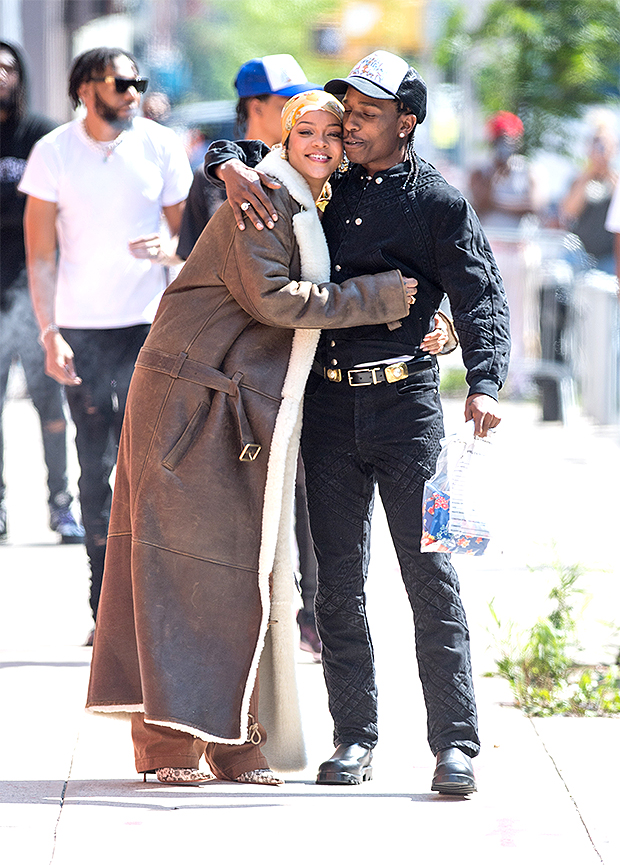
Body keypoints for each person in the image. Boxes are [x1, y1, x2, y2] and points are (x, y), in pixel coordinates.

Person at [85, 89, 424, 786]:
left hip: (232, 403)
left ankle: (235, 742)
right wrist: (383, 297)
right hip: (190, 400)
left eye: (336, 132)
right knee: (179, 567)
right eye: (308, 130)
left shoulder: (311, 199)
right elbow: (275, 298)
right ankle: (168, 747)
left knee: (250, 576)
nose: (323, 143)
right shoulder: (265, 197)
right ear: (285, 134)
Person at [205, 49, 511, 794]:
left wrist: (485, 381)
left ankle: (455, 745)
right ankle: (355, 737)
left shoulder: (438, 202)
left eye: (368, 113)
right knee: (335, 585)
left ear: (406, 122)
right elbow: (241, 150)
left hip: (411, 414)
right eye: (348, 111)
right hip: (329, 413)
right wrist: (225, 164)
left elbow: (481, 293)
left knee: (430, 576)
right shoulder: (324, 185)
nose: (351, 122)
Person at [19, 47, 192, 635]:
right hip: (82, 331)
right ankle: (104, 606)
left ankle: (152, 602)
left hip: (149, 328)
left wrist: (168, 253)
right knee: (94, 469)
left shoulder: (161, 147)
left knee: (151, 468)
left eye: (138, 82)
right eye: (122, 82)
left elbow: (188, 239)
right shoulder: (53, 153)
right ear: (85, 88)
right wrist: (49, 332)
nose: (133, 92)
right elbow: (40, 255)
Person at [176, 54, 324, 661]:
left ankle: (309, 617)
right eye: (285, 101)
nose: (297, 115)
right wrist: (226, 163)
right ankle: (243, 621)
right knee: (242, 490)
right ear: (254, 107)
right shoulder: (222, 173)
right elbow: (191, 260)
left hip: (305, 349)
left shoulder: (312, 168)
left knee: (312, 488)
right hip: (236, 362)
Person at [0, 40, 83, 544]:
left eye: (8, 65)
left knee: (50, 408)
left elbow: (55, 213)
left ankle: (61, 506)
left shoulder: (41, 136)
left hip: (32, 292)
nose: (0, 74)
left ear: (21, 75)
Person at [469, 110, 546, 229]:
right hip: (490, 240)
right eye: (499, 140)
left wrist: (495, 204)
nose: (503, 146)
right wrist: (493, 175)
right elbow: (480, 204)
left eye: (508, 140)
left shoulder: (529, 170)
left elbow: (534, 206)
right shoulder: (480, 172)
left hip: (519, 242)